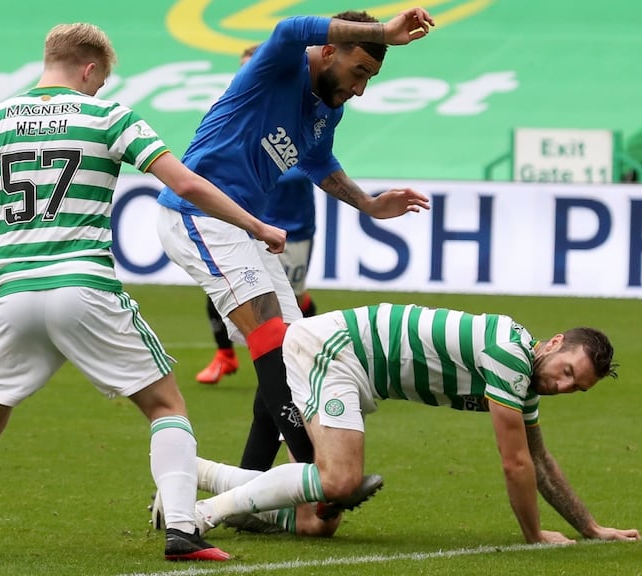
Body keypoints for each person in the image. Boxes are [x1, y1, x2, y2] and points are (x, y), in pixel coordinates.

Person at [0, 22, 287, 562]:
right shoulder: (107, 116)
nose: (99, 89)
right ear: (89, 68)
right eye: (100, 80)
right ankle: (182, 529)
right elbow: (185, 183)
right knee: (166, 406)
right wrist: (256, 226)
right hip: (82, 286)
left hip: (11, 293)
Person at [156, 8, 435, 495]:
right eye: (360, 72)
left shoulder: (328, 106)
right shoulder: (281, 65)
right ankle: (320, 472)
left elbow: (317, 160)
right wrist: (383, 32)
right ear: (331, 50)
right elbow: (288, 28)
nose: (361, 88)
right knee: (269, 336)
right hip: (198, 212)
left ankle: (251, 493)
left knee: (293, 348)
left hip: (246, 227)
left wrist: (368, 204)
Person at [187, 303, 642, 543]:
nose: (563, 387)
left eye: (575, 388)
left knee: (315, 524)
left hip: (350, 368)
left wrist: (590, 527)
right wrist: (534, 535)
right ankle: (203, 512)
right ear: (555, 343)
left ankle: (197, 475)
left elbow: (539, 460)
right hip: (336, 351)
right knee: (340, 479)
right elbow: (516, 464)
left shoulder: (523, 375)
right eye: (567, 372)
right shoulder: (510, 355)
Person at [196, 44, 319, 386]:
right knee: (221, 287)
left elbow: (308, 166)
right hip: (241, 220)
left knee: (291, 299)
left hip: (289, 225)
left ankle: (315, 350)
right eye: (242, 69)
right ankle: (225, 355)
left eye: (252, 68)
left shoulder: (293, 113)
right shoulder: (234, 112)